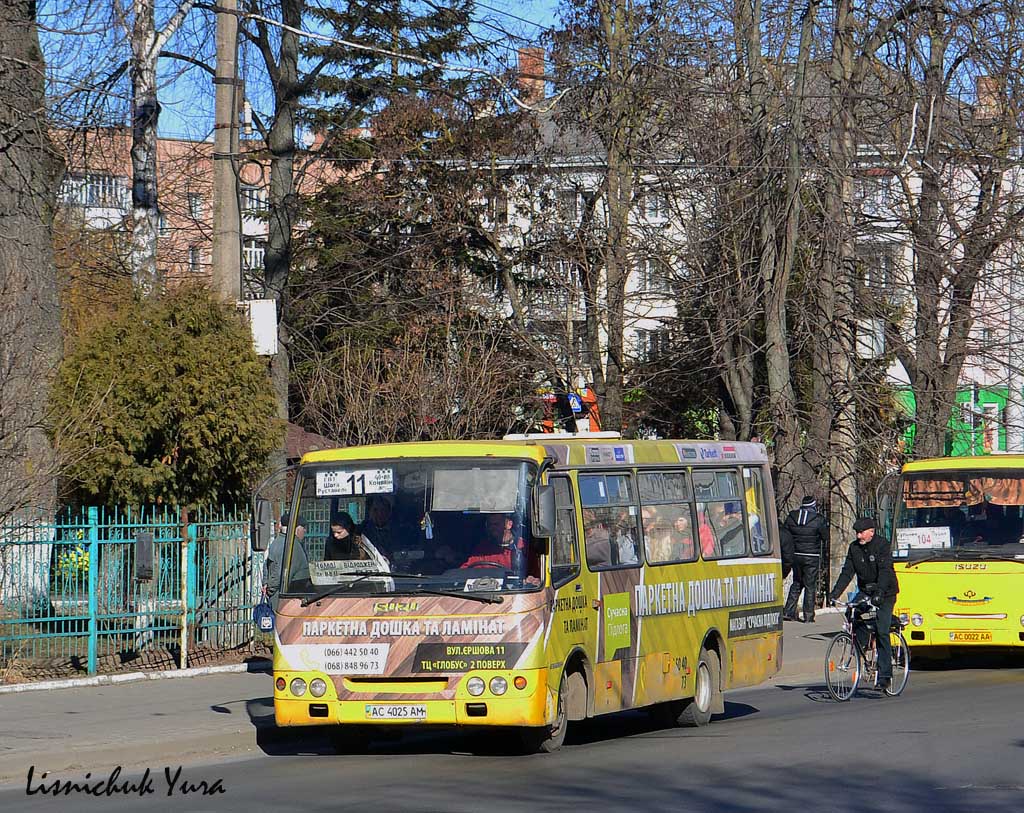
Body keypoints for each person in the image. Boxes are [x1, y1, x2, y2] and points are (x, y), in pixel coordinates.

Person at [828, 516, 900, 693]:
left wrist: (880, 593)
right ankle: (863, 650)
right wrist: (834, 594)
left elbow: (885, 571)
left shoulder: (882, 545)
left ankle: (885, 677)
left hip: (885, 591)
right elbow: (847, 572)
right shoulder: (854, 548)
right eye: (857, 533)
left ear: (871, 532)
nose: (859, 536)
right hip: (865, 591)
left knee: (882, 630)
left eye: (862, 532)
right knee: (852, 614)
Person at [782, 495, 829, 623]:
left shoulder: (792, 517)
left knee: (797, 582)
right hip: (811, 556)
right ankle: (808, 615)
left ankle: (788, 612)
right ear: (813, 506)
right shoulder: (818, 519)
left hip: (795, 555)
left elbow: (785, 534)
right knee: (810, 585)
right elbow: (825, 536)